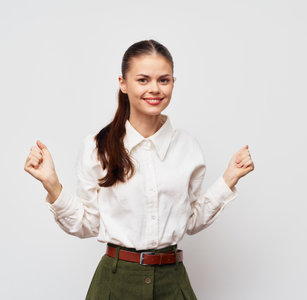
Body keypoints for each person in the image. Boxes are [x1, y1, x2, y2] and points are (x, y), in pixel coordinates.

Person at [24, 39, 254, 299]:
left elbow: (189, 220)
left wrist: (228, 179)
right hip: (116, 282)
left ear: (173, 83)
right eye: (143, 80)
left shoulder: (187, 148)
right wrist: (51, 184)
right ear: (123, 83)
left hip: (172, 280)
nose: (154, 89)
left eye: (163, 80)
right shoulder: (97, 146)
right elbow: (88, 223)